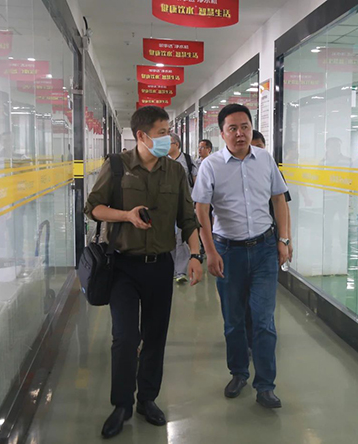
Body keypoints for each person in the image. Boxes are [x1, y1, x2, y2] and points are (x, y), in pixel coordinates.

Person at [84, 106, 204, 439]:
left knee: (155, 336)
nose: (168, 138)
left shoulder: (175, 171)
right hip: (122, 266)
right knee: (125, 337)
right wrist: (126, 215)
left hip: (160, 266)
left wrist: (196, 255)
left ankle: (147, 400)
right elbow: (93, 208)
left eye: (168, 131)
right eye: (162, 132)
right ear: (142, 135)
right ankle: (121, 404)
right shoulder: (117, 165)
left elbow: (188, 218)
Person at [192, 104, 290, 409]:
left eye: (245, 127)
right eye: (232, 128)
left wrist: (284, 240)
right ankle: (238, 373)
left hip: (264, 250)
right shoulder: (210, 166)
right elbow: (201, 211)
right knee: (234, 321)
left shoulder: (265, 159)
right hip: (228, 252)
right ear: (222, 134)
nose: (240, 133)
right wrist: (209, 252)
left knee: (264, 321)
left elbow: (279, 199)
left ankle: (266, 386)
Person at [247, 130, 293, 350]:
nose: (257, 150)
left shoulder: (270, 168)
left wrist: (286, 239)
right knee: (245, 295)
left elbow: (283, 206)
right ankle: (249, 336)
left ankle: (263, 336)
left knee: (264, 295)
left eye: (260, 146)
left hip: (270, 238)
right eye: (253, 146)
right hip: (244, 241)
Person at [169, 132, 198, 283]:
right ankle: (170, 267)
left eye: (168, 143)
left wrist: (196, 201)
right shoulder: (161, 160)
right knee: (169, 236)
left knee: (182, 237)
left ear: (177, 144)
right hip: (167, 205)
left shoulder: (187, 160)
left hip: (185, 204)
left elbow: (195, 180)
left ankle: (180, 271)